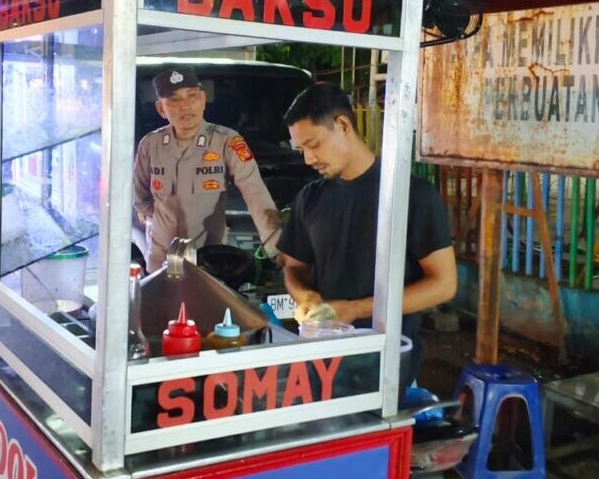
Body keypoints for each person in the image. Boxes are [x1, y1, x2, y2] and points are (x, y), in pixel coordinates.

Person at [277, 83, 456, 389]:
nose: (308, 159)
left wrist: (355, 309)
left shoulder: (411, 195)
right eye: (301, 150)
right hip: (321, 359)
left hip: (387, 361)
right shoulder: (309, 198)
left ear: (343, 125)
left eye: (313, 144)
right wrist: (306, 297)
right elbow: (293, 267)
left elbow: (444, 285)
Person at [133, 66, 282, 272]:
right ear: (161, 109)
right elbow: (140, 197)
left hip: (209, 260)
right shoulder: (150, 145)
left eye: (192, 96)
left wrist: (276, 247)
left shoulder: (226, 141)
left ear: (203, 99)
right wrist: (160, 217)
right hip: (161, 260)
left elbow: (255, 193)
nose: (185, 106)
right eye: (174, 100)